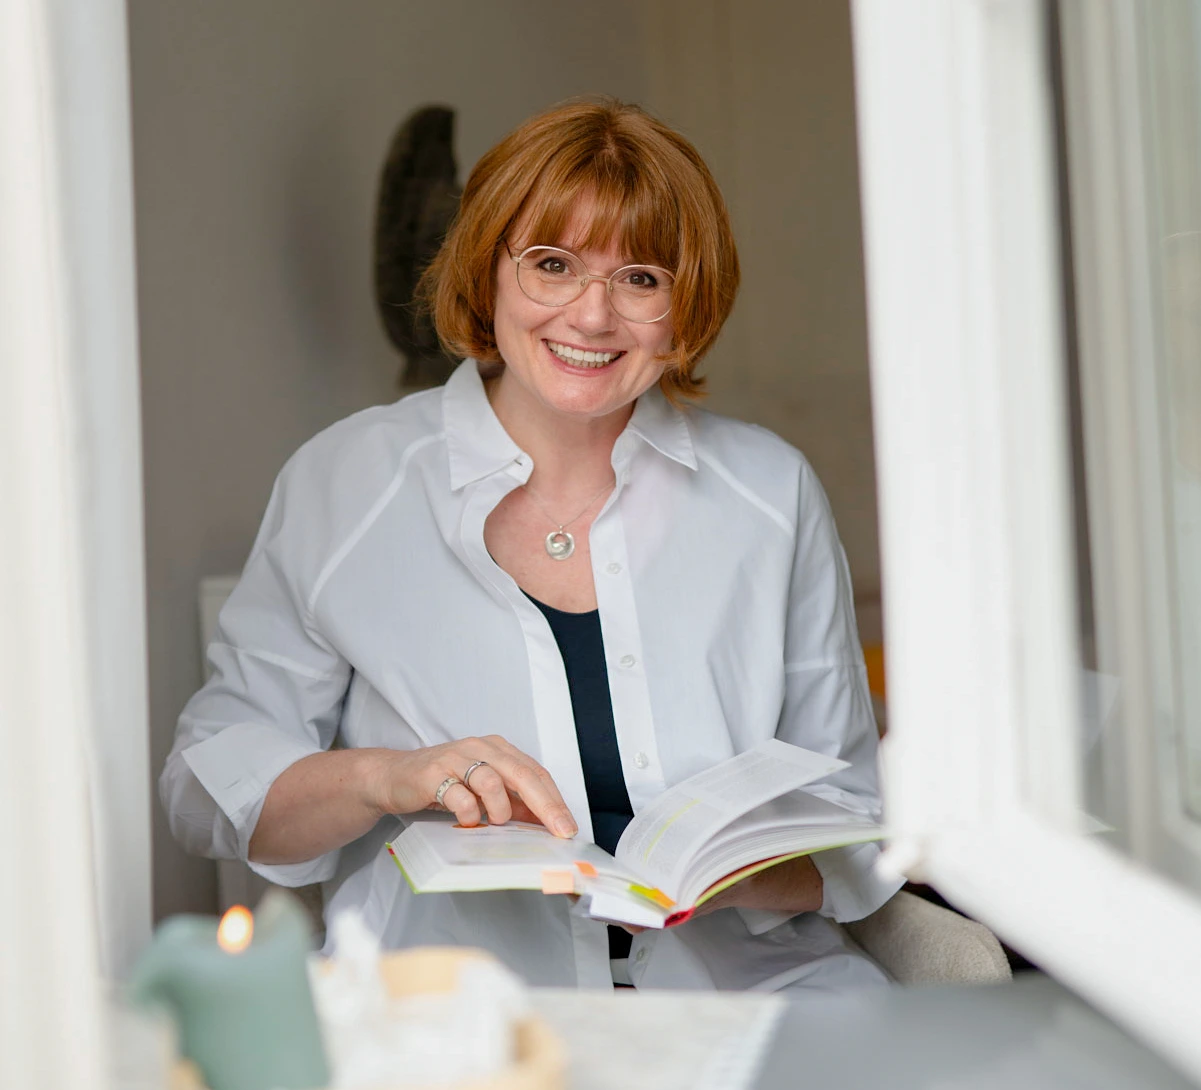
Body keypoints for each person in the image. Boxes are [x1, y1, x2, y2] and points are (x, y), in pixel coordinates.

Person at [162, 98, 901, 991]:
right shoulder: (345, 482)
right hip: (449, 1010)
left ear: (685, 302)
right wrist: (389, 778)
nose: (591, 318)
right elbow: (208, 791)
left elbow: (850, 815)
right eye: (552, 265)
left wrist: (719, 878)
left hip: (747, 997)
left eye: (639, 278)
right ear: (490, 273)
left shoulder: (769, 494)